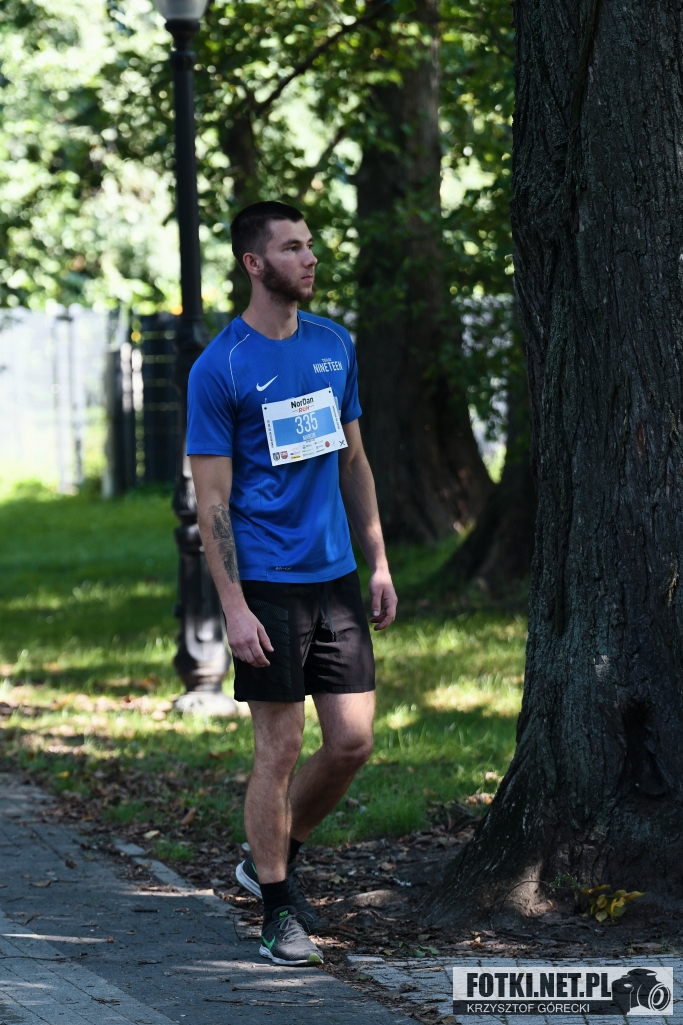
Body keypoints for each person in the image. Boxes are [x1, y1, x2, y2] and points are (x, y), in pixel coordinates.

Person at [186, 200, 397, 967]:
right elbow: (212, 502)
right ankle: (277, 910)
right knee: (278, 749)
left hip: (334, 577)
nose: (309, 258)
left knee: (351, 741)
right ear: (253, 263)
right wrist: (233, 607)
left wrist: (376, 560)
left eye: (309, 244)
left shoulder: (333, 344)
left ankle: (272, 856)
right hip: (266, 584)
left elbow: (353, 461)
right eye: (291, 247)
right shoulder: (221, 367)